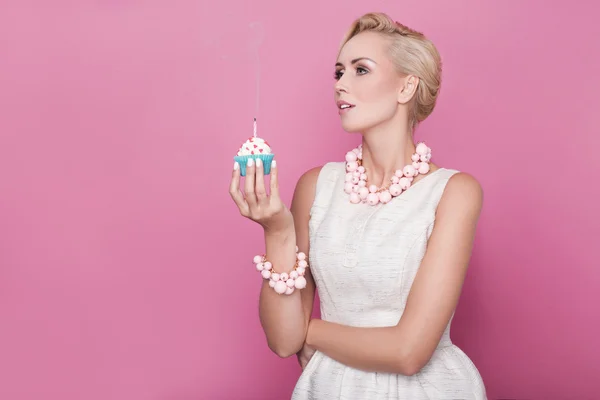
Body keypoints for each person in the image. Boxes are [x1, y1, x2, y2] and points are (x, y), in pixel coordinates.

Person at [229, 11, 487, 400]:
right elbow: (283, 341)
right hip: (331, 389)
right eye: (338, 73)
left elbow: (409, 352)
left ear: (406, 87)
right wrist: (277, 231)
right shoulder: (316, 187)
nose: (340, 86)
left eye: (360, 70)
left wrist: (309, 330)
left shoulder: (453, 192)